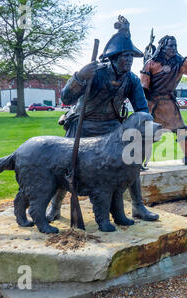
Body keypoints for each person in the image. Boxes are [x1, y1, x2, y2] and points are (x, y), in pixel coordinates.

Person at [46, 15, 159, 224]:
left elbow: (142, 109)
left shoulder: (132, 80)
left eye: (131, 57)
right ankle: (54, 206)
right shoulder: (96, 73)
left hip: (112, 127)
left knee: (131, 161)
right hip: (84, 123)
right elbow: (66, 98)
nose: (129, 60)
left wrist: (145, 127)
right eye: (125, 56)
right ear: (114, 57)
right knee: (65, 163)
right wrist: (79, 77)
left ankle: (138, 206)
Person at [140, 35, 187, 166]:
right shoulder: (150, 64)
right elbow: (144, 86)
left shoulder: (179, 62)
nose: (173, 48)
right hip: (152, 104)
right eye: (170, 45)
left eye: (175, 45)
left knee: (181, 130)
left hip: (169, 103)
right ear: (162, 47)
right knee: (147, 134)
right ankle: (140, 162)